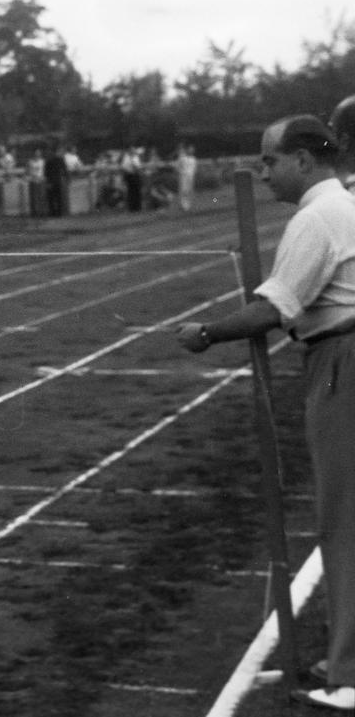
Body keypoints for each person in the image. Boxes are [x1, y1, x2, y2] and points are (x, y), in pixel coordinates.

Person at [175, 115, 355, 712]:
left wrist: (207, 332)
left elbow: (273, 308)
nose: (263, 172)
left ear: (303, 160)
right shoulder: (343, 206)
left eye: (270, 160)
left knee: (345, 519)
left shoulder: (318, 216)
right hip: (340, 355)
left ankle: (350, 673)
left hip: (343, 361)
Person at [175, 143, 199, 212]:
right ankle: (184, 205)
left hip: (191, 177)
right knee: (183, 190)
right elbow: (177, 167)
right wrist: (181, 173)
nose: (191, 151)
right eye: (190, 149)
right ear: (187, 150)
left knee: (189, 191)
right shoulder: (182, 158)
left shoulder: (194, 159)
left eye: (192, 150)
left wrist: (193, 174)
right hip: (183, 176)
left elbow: (194, 168)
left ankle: (189, 205)